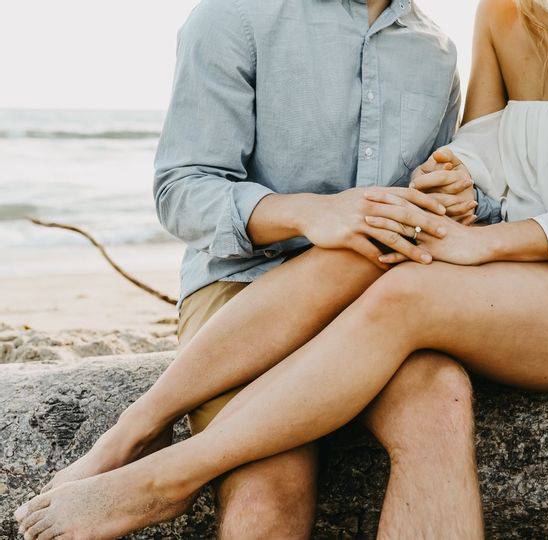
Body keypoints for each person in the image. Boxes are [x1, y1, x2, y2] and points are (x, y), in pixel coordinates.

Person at [16, 0, 548, 538]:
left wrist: (473, 236)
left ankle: (168, 475)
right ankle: (132, 432)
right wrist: (453, 181)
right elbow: (477, 155)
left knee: (409, 308)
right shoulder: (497, 15)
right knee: (373, 257)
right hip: (275, 279)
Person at [20, 0, 500, 538]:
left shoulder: (435, 50)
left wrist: (463, 197)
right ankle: (138, 435)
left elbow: (432, 200)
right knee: (268, 495)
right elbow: (181, 191)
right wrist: (311, 213)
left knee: (441, 403)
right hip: (241, 288)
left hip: (377, 307)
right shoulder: (233, 16)